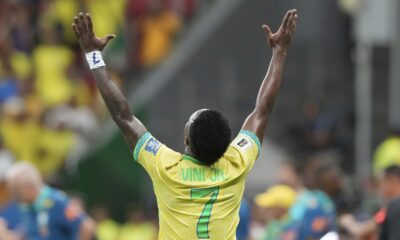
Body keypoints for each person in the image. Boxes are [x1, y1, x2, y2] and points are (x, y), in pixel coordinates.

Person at [72, 8, 298, 239]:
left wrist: (93, 55)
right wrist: (279, 52)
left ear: (187, 140)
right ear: (227, 144)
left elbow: (123, 115)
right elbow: (262, 111)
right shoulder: (237, 162)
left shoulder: (166, 167)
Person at [3, 162, 95, 240]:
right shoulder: (28, 209)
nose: (14, 196)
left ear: (29, 187)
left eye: (16, 190)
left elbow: (87, 226)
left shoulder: (56, 202)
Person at [340, 164, 400, 240]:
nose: (379, 189)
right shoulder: (389, 208)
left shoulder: (393, 207)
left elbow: (363, 230)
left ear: (392, 181)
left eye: (381, 183)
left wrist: (347, 222)